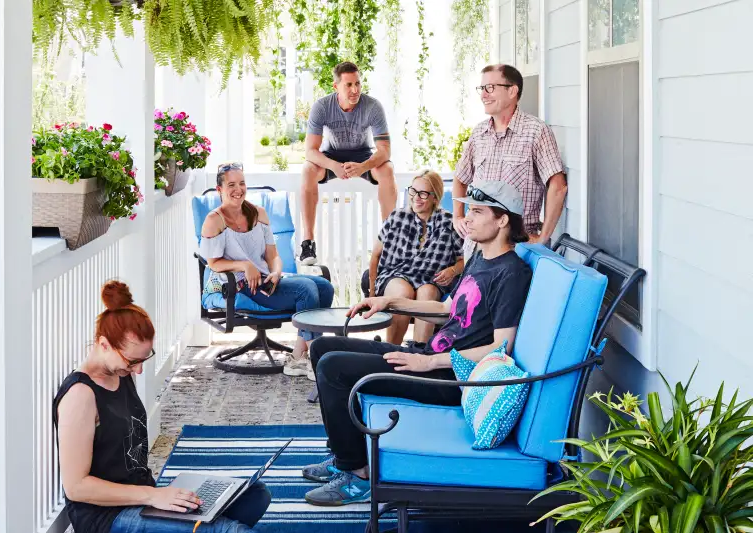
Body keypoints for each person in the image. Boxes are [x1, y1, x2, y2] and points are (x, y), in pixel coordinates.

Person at [301, 180, 533, 506]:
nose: (468, 217)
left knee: (333, 367)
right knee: (322, 347)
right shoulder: (481, 258)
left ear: (503, 220)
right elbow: (446, 310)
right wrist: (388, 303)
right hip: (427, 356)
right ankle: (344, 453)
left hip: (449, 378)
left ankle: (358, 473)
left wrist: (431, 362)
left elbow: (501, 348)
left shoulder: (512, 273)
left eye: (478, 212)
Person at [53, 281, 271, 533]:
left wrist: (156, 497)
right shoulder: (80, 395)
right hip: (107, 518)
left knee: (255, 494)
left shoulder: (121, 373)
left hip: (145, 500)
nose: (138, 369)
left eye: (144, 359)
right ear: (104, 345)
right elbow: (76, 487)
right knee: (229, 530)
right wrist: (151, 496)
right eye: (132, 361)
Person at [201, 162, 335, 380]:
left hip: (265, 280)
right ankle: (317, 357)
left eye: (242, 183)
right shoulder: (214, 221)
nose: (238, 190)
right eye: (231, 185)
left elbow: (273, 255)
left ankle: (298, 356)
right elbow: (214, 263)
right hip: (242, 285)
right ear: (220, 190)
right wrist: (245, 265)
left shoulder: (258, 213)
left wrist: (276, 272)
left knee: (325, 287)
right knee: (306, 289)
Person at [453, 64, 568, 260]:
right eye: (482, 89)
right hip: (476, 248)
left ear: (512, 91)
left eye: (490, 88)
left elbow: (558, 186)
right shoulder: (479, 133)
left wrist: (543, 237)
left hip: (517, 248)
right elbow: (460, 178)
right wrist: (458, 217)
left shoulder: (536, 131)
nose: (483, 95)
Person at [299, 61, 397, 265]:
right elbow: (310, 151)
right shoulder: (322, 106)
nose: (355, 90)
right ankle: (308, 242)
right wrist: (333, 166)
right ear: (336, 87)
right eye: (348, 85)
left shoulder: (372, 106)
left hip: (363, 155)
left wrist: (363, 167)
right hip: (332, 155)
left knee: (387, 169)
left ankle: (390, 240)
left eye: (358, 84)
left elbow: (385, 150)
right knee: (308, 170)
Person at [366, 170, 464, 345]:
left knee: (427, 292)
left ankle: (420, 353)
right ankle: (391, 348)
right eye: (413, 191)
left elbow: (463, 260)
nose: (416, 197)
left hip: (430, 279)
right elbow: (375, 256)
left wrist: (452, 270)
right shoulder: (397, 217)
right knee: (403, 292)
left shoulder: (449, 223)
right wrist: (371, 293)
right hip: (395, 275)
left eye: (423, 193)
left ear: (435, 198)